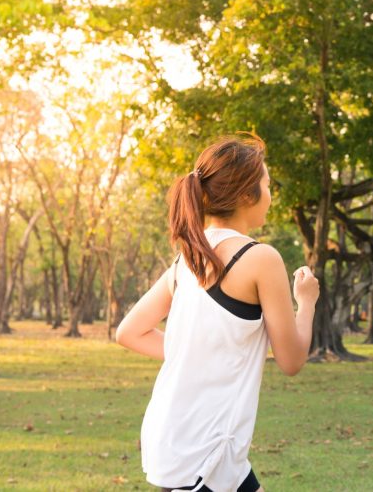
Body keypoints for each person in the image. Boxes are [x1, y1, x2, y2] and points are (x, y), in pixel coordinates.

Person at [115, 134, 319, 492]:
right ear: (245, 195)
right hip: (204, 451)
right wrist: (307, 303)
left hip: (181, 439)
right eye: (267, 185)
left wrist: (196, 353)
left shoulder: (187, 259)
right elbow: (291, 360)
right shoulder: (260, 258)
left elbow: (129, 332)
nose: (271, 196)